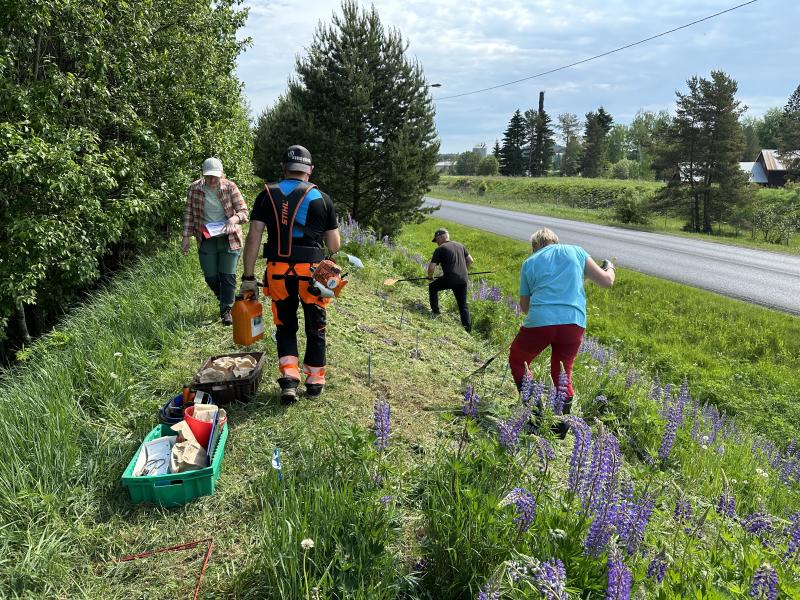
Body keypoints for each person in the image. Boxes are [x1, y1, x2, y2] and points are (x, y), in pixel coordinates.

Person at [240, 145, 340, 403]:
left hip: (278, 273)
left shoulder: (266, 196)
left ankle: (289, 379)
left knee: (285, 326)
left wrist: (248, 277)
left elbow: (253, 238)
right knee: (315, 327)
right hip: (312, 276)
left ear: (283, 168)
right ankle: (315, 381)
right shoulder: (322, 199)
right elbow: (333, 246)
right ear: (310, 170)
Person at [508, 227, 615, 436]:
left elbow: (524, 307)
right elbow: (606, 281)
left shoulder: (530, 262)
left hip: (541, 320)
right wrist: (610, 266)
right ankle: (561, 426)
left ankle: (535, 417)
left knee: (518, 360)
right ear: (555, 241)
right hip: (574, 322)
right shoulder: (576, 251)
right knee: (562, 371)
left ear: (535, 246)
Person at [182, 157, 249, 325]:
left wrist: (234, 219)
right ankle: (227, 297)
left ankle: (227, 309)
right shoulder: (194, 189)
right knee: (211, 277)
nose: (212, 180)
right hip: (207, 238)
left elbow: (244, 212)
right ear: (203, 175)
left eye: (215, 176)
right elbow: (189, 214)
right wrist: (185, 237)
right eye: (208, 176)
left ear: (222, 174)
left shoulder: (230, 187)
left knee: (227, 276)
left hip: (229, 238)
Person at [427, 228, 474, 332]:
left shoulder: (440, 249)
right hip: (463, 279)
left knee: (432, 287)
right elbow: (470, 260)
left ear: (442, 237)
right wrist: (464, 271)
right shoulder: (460, 245)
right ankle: (468, 329)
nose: (437, 243)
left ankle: (435, 312)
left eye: (437, 240)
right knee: (463, 305)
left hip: (450, 278)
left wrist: (430, 276)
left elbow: (431, 266)